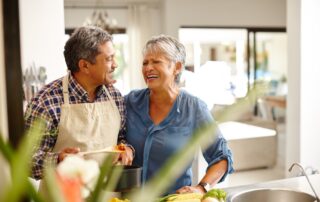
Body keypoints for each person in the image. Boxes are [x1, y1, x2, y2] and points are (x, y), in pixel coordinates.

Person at [125, 35, 233, 194]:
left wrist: (201, 188)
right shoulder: (130, 102)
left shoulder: (194, 108)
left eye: (156, 62)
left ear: (176, 67)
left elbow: (222, 157)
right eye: (145, 63)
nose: (148, 68)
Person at [24, 26, 133, 181]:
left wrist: (126, 149)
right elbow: (25, 159)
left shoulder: (115, 96)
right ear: (85, 66)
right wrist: (58, 160)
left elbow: (121, 138)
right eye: (109, 59)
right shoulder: (46, 101)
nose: (115, 64)